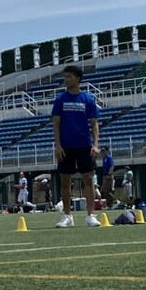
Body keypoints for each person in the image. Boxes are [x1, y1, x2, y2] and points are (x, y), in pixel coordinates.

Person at [51, 65, 101, 228]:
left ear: (78, 79)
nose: (66, 80)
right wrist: (58, 145)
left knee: (88, 179)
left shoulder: (87, 99)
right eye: (65, 77)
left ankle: (90, 216)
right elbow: (56, 124)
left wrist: (95, 145)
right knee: (65, 181)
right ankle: (67, 216)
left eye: (69, 77)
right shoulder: (60, 100)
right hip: (66, 146)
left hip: (84, 145)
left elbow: (94, 124)